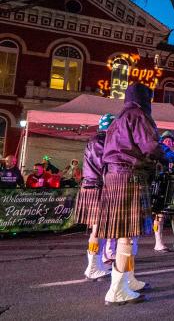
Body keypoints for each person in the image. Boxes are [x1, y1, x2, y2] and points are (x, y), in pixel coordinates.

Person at [97, 83, 170, 305]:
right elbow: (149, 146)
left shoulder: (118, 120)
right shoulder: (138, 115)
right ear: (143, 99)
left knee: (125, 233)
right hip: (130, 176)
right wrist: (170, 157)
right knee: (127, 234)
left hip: (113, 177)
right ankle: (117, 290)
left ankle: (128, 279)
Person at [72, 113, 115, 281]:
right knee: (98, 229)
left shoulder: (98, 139)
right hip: (96, 187)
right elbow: (103, 164)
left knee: (99, 228)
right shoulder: (100, 141)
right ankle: (92, 267)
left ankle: (96, 264)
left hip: (94, 186)